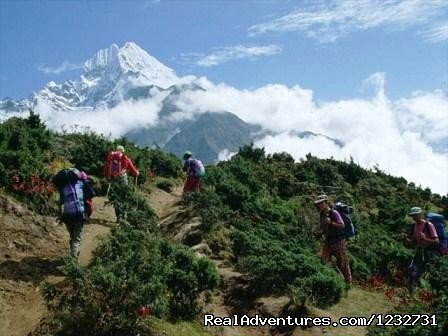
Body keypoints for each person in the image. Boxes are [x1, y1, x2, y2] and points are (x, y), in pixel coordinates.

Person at [55, 168, 94, 259]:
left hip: (67, 215)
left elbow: (60, 203)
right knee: (76, 238)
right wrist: (85, 181)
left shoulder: (63, 188)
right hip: (78, 214)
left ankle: (74, 251)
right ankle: (73, 259)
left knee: (73, 236)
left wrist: (61, 216)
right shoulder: (80, 184)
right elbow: (92, 193)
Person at [314, 194, 352, 285]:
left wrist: (331, 222)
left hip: (338, 241)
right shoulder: (322, 214)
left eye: (321, 203)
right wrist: (320, 233)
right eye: (318, 203)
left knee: (343, 263)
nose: (320, 205)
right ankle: (335, 279)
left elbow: (342, 225)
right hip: (328, 241)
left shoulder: (334, 213)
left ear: (326, 202)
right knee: (323, 261)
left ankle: (348, 284)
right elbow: (325, 227)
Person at [403, 207, 439, 286]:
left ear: (420, 214)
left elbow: (436, 241)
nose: (413, 217)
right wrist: (405, 239)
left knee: (422, 272)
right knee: (413, 270)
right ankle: (413, 288)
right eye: (412, 216)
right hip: (420, 251)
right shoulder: (415, 226)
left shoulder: (429, 225)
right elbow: (413, 243)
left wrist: (425, 238)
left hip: (429, 252)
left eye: (415, 215)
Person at [103, 145, 139, 222]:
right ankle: (122, 216)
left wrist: (108, 177)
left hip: (113, 179)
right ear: (123, 151)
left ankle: (118, 216)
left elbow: (106, 168)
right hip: (122, 179)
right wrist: (137, 173)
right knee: (123, 197)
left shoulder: (111, 158)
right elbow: (133, 170)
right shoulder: (126, 159)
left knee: (116, 197)